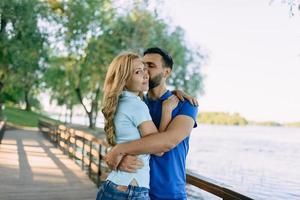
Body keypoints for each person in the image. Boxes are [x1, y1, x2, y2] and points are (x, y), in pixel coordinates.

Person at [105, 47, 198, 200]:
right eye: (142, 66)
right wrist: (118, 158)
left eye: (151, 66)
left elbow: (167, 142)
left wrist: (119, 150)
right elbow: (117, 137)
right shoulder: (136, 103)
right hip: (134, 188)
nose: (145, 71)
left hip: (169, 193)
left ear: (166, 72)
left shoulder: (186, 104)